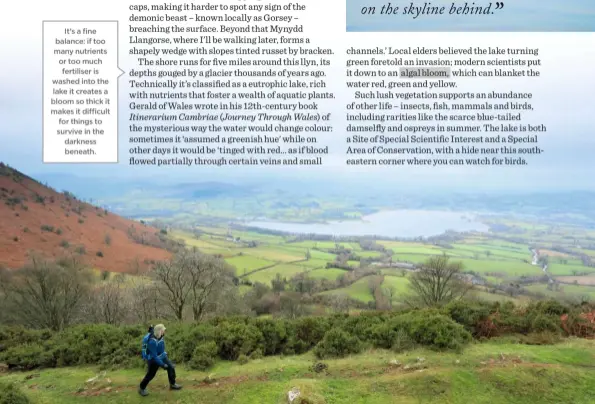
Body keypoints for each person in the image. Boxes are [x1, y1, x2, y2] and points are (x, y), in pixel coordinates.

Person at [138, 324, 182, 396]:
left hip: (161, 356)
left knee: (170, 367)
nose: (164, 331)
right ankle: (142, 388)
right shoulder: (152, 341)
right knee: (150, 375)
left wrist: (166, 362)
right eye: (163, 330)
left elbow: (161, 350)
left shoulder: (160, 336)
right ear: (159, 331)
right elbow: (154, 356)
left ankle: (173, 384)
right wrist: (162, 364)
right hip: (153, 359)